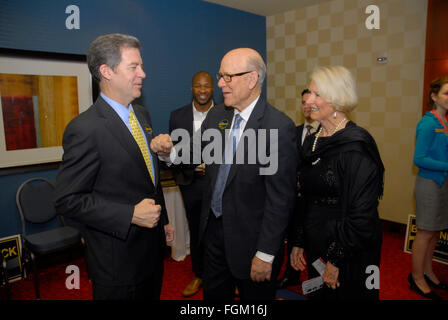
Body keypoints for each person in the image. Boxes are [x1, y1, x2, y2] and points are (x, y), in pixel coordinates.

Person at [151, 48, 298, 300]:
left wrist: (265, 254)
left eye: (227, 77)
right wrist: (168, 153)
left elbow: (280, 200)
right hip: (214, 234)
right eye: (221, 76)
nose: (220, 83)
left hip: (252, 241)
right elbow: (196, 151)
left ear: (252, 79)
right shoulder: (218, 115)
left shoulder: (278, 127)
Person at [53, 33, 174, 300]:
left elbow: (145, 176)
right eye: (134, 67)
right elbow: (67, 200)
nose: (143, 73)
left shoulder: (142, 114)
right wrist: (129, 214)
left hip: (151, 252)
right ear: (106, 71)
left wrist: (162, 219)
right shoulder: (85, 128)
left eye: (141, 65)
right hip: (118, 263)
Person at [290, 66, 384, 300]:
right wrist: (299, 240)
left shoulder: (357, 146)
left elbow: (361, 214)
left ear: (338, 99)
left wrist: (335, 259)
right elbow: (305, 198)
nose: (308, 100)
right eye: (309, 93)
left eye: (317, 95)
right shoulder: (311, 142)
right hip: (315, 240)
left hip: (350, 246)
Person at [169, 71, 214, 297]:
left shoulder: (227, 114)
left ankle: (226, 275)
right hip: (192, 183)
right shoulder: (177, 117)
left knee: (223, 229)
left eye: (207, 86)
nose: (203, 90)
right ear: (192, 88)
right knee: (196, 230)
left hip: (219, 183)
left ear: (213, 88)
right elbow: (174, 155)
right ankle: (200, 274)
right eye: (198, 86)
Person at [409, 76, 448, 300]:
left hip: (442, 184)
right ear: (434, 97)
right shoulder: (427, 123)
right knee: (424, 232)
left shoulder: (445, 122)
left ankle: (429, 272)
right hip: (428, 185)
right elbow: (419, 158)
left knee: (434, 232)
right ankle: (417, 278)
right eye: (446, 93)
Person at [277, 88, 319, 289]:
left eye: (310, 102)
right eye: (303, 102)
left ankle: (315, 280)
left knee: (314, 243)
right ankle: (291, 276)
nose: (306, 106)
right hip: (294, 198)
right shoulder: (293, 131)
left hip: (317, 200)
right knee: (293, 237)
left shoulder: (327, 133)